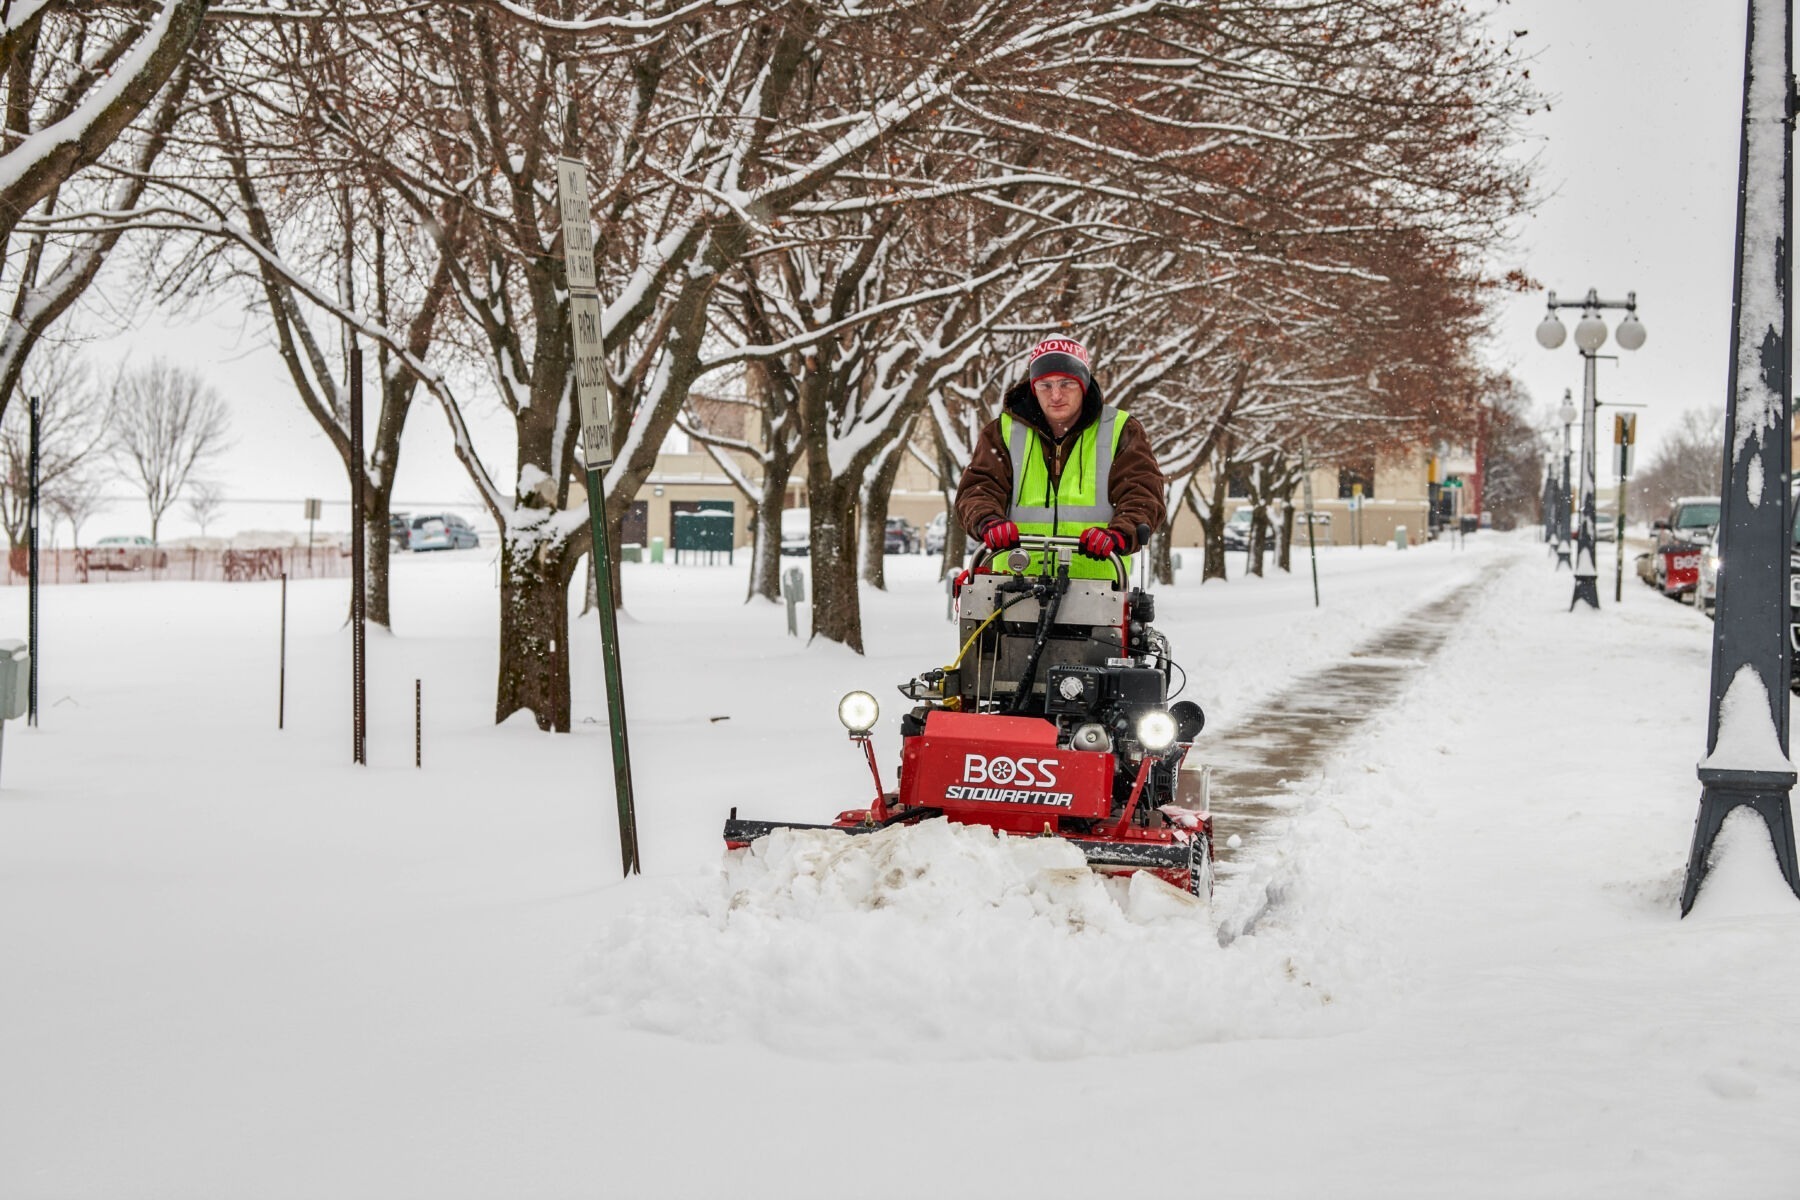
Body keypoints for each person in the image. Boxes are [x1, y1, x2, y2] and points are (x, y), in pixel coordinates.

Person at [956, 336, 1166, 578]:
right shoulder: (1002, 432)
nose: (1056, 395)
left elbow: (1142, 494)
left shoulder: (1121, 430)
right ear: (1034, 388)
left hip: (1098, 586)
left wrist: (1119, 534)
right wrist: (988, 521)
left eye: (1066, 383)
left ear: (1084, 385)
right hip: (1014, 579)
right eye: (1046, 385)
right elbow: (979, 488)